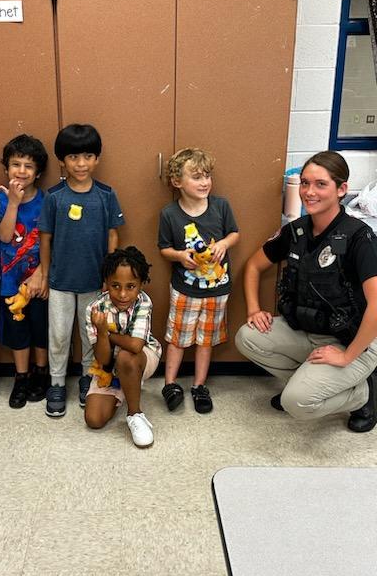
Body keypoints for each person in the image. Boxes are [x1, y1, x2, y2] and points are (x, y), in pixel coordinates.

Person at [235, 150, 377, 433]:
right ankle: (307, 385)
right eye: (304, 183)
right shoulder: (296, 231)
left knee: (297, 404)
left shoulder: (359, 237)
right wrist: (253, 308)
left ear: (342, 190)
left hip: (353, 342)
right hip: (305, 331)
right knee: (247, 337)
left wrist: (348, 356)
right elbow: (252, 266)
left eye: (320, 184)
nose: (309, 192)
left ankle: (362, 395)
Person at [39, 123, 125, 417]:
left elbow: (114, 235)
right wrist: (45, 274)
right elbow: (45, 238)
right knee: (60, 335)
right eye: (74, 157)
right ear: (62, 161)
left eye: (88, 156)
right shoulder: (54, 197)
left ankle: (89, 377)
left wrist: (110, 278)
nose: (81, 163)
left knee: (91, 334)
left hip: (94, 282)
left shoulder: (106, 194)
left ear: (97, 159)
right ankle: (58, 382)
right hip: (60, 281)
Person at [158, 148, 239, 413]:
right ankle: (170, 384)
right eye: (196, 177)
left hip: (217, 289)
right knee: (178, 338)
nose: (204, 182)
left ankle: (199, 385)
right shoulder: (170, 214)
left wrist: (225, 244)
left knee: (206, 340)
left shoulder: (221, 206)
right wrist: (180, 256)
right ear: (177, 182)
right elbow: (164, 248)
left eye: (207, 176)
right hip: (185, 289)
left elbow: (234, 233)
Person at [84, 246, 162, 447]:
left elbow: (136, 345)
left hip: (142, 356)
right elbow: (102, 360)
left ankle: (135, 413)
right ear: (106, 284)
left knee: (127, 357)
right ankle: (126, 386)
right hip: (109, 367)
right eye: (115, 286)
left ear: (141, 285)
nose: (123, 294)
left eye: (131, 286)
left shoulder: (143, 302)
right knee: (94, 419)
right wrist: (101, 333)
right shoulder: (94, 309)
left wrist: (109, 334)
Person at [0, 134, 50, 409]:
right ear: (6, 167)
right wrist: (13, 203)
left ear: (38, 172)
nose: (22, 171)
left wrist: (41, 273)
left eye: (29, 166)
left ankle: (42, 373)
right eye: (16, 164)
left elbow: (55, 242)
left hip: (39, 282)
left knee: (41, 330)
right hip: (11, 283)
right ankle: (21, 377)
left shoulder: (47, 201)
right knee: (18, 333)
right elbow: (4, 237)